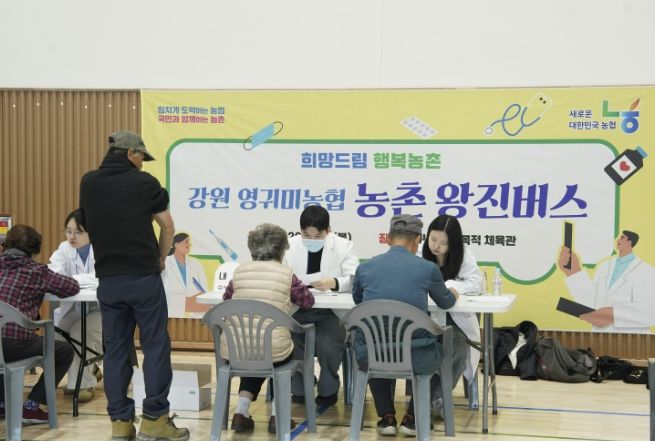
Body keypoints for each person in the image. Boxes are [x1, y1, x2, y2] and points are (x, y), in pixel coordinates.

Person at [79, 130, 189, 441]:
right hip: (142, 278)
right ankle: (155, 420)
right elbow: (168, 226)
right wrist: (161, 258)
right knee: (155, 346)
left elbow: (87, 222)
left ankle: (120, 424)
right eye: (142, 157)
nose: (143, 163)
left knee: (115, 350)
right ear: (130, 153)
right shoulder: (144, 183)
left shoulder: (89, 183)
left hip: (108, 281)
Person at [352, 214, 458, 437]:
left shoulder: (365, 268)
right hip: (417, 356)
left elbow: (358, 301)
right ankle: (412, 418)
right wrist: (454, 293)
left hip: (370, 355)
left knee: (375, 339)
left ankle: (386, 417)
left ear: (388, 238)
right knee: (442, 347)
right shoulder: (428, 269)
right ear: (417, 240)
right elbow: (446, 302)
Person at [222, 223, 315, 434]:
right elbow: (307, 301)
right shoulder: (286, 275)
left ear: (252, 248)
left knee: (254, 349)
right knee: (277, 350)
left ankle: (241, 411)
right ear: (282, 250)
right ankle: (277, 414)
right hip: (275, 351)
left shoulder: (239, 272)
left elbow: (227, 300)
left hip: (237, 350)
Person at [0, 225, 78, 423]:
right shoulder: (36, 272)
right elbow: (71, 287)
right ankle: (32, 405)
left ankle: (2, 403)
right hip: (15, 344)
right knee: (64, 351)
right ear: (35, 250)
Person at [283, 205, 358, 407]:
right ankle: (299, 388)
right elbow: (281, 275)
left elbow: (354, 279)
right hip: (297, 310)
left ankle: (328, 389)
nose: (312, 240)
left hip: (331, 313)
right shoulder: (289, 246)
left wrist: (334, 282)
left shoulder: (343, 246)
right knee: (292, 341)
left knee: (328, 344)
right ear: (300, 231)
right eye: (307, 235)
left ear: (328, 230)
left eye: (318, 236)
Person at [421, 214, 483, 408]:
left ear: (453, 244)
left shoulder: (464, 255)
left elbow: (476, 283)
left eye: (443, 243)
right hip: (424, 317)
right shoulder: (419, 253)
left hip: (455, 319)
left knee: (456, 346)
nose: (436, 246)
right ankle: (424, 400)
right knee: (423, 345)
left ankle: (438, 398)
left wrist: (451, 286)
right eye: (433, 239)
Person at [48, 209, 103, 403]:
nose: (71, 237)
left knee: (80, 333)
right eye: (68, 231)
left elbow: (101, 277)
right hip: (76, 307)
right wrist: (79, 280)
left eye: (78, 232)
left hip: (103, 309)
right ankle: (88, 370)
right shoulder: (64, 248)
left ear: (91, 232)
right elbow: (53, 273)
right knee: (58, 335)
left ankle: (84, 383)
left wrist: (71, 280)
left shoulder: (102, 248)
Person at [558, 230, 655, 333]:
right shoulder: (604, 266)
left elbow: (650, 312)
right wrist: (574, 272)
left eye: (622, 238)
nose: (617, 240)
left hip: (633, 338)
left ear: (630, 242)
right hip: (599, 336)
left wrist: (613, 314)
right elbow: (593, 301)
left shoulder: (646, 271)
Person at [163, 233, 209, 318]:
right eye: (186, 242)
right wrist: (186, 303)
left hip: (194, 316)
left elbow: (204, 292)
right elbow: (162, 293)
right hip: (171, 314)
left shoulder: (196, 264)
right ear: (176, 244)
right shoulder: (165, 263)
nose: (189, 245)